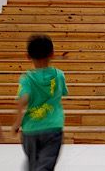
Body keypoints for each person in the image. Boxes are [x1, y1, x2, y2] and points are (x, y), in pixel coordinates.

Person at [12, 35, 68, 171]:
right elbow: (63, 92)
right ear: (52, 54)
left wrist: (17, 122)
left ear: (27, 56)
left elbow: (23, 99)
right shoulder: (59, 75)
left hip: (30, 130)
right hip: (53, 127)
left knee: (33, 163)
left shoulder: (26, 78)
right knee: (45, 165)